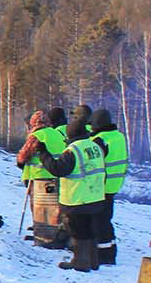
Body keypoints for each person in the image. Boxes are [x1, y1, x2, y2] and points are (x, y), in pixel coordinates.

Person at [41, 117, 107, 271]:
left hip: (78, 198)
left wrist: (44, 154)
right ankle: (93, 261)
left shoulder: (74, 150)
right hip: (95, 196)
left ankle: (81, 263)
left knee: (79, 232)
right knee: (90, 230)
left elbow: (58, 169)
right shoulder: (95, 146)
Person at [16, 107, 69, 247]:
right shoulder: (57, 134)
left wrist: (21, 164)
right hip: (57, 176)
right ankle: (55, 237)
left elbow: (23, 156)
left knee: (41, 210)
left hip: (40, 179)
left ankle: (43, 238)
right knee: (54, 209)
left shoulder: (37, 135)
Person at [90, 109, 128, 264]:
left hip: (101, 186)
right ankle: (110, 252)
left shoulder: (99, 140)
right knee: (106, 220)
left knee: (99, 222)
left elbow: (92, 164)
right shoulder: (119, 136)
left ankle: (103, 255)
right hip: (114, 184)